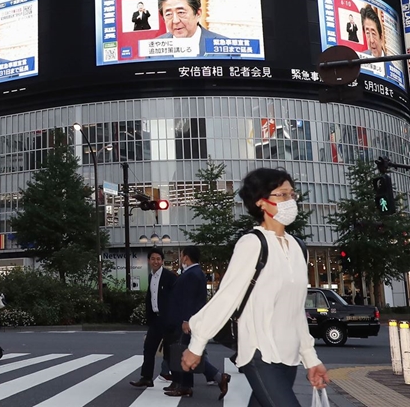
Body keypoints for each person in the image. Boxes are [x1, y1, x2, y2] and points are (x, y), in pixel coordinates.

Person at [181, 168, 329, 406]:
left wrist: (311, 359)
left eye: (292, 194)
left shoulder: (298, 247)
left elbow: (295, 311)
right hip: (260, 351)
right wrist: (196, 345)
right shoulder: (253, 243)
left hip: (288, 356)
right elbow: (226, 297)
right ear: (262, 202)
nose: (290, 201)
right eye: (282, 195)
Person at [164, 246, 230, 398]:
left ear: (186, 257)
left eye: (181, 256)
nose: (181, 259)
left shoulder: (192, 274)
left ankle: (218, 377)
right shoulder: (194, 273)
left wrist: (187, 321)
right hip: (189, 320)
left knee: (186, 353)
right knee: (186, 352)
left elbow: (189, 301)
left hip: (188, 322)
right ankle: (186, 385)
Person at [129, 248, 176, 388]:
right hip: (155, 319)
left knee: (170, 351)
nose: (155, 261)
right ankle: (146, 378)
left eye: (158, 259)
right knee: (149, 348)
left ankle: (177, 380)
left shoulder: (170, 277)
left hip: (168, 319)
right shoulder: (151, 276)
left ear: (162, 261)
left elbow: (175, 298)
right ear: (149, 261)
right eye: (153, 259)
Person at [155, 0, 229, 56]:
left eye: (181, 12)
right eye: (168, 14)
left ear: (198, 13)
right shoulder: (155, 48)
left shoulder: (225, 47)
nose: (175, 21)